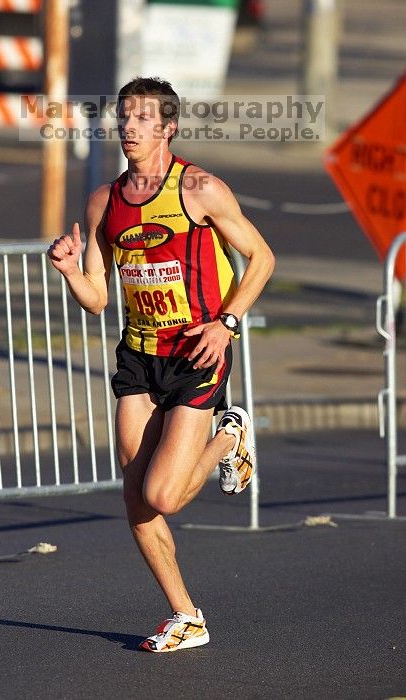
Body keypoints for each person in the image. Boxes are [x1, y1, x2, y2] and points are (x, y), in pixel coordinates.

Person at [47, 77, 275, 653]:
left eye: (143, 118)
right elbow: (99, 297)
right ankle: (185, 616)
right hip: (138, 354)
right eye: (124, 117)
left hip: (197, 350)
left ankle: (230, 435)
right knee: (136, 496)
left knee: (166, 496)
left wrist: (226, 325)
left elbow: (263, 257)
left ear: (167, 127)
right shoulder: (103, 201)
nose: (129, 127)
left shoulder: (199, 188)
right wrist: (74, 272)